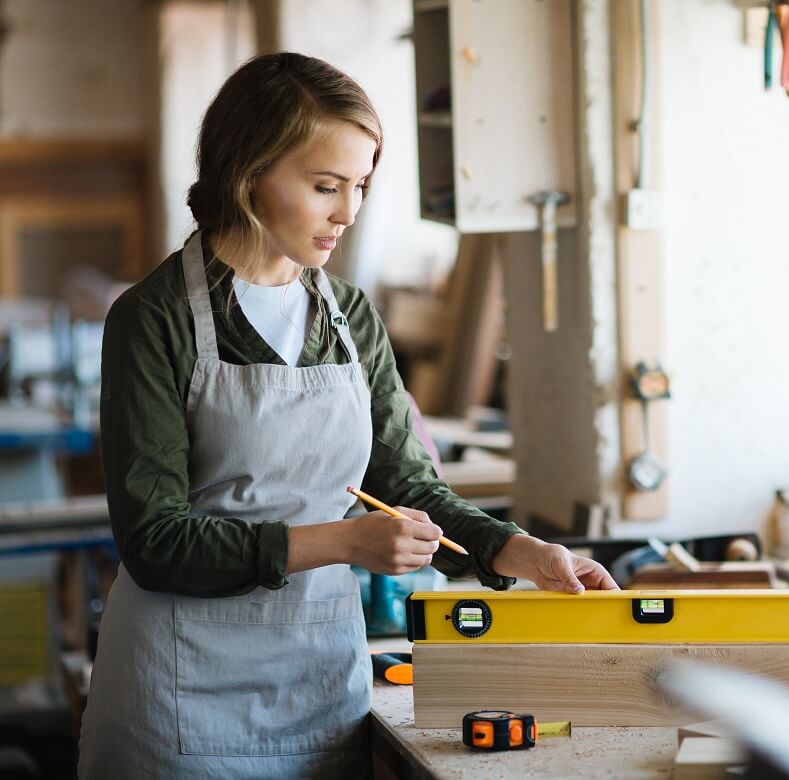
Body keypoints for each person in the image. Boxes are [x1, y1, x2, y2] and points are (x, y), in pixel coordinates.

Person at [78, 52, 617, 778]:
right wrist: (344, 542)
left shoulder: (347, 316)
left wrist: (522, 555)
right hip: (180, 691)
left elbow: (407, 484)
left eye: (360, 185)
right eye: (326, 185)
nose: (348, 213)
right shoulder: (154, 319)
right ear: (247, 175)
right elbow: (154, 541)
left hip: (319, 683)